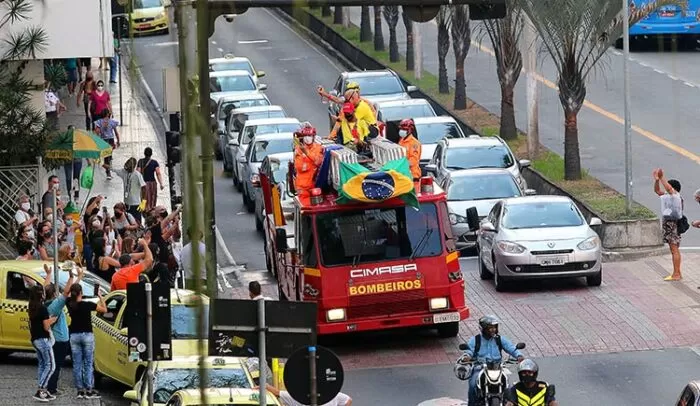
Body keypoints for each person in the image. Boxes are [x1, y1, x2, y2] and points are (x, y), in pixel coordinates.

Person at [460, 315, 525, 406]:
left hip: (497, 367)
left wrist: (519, 355)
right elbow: (469, 351)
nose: (493, 330)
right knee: (472, 384)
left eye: (494, 327)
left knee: (508, 386)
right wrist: (467, 356)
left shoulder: (499, 339)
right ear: (483, 328)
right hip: (480, 367)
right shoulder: (475, 340)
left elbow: (510, 347)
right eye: (490, 328)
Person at [67, 281, 107, 399]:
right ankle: (89, 389)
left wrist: (76, 278)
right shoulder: (87, 304)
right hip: (87, 335)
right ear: (81, 293)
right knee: (88, 363)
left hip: (74, 336)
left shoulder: (69, 304)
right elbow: (104, 310)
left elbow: (68, 293)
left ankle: (80, 390)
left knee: (77, 363)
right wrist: (99, 295)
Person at [42, 265, 75, 398]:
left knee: (52, 364)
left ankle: (50, 386)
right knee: (56, 365)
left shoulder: (45, 302)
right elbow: (66, 292)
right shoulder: (56, 305)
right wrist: (71, 277)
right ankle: (51, 388)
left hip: (55, 338)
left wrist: (48, 274)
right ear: (55, 294)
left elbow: (45, 288)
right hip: (60, 339)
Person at [28, 284, 58, 401]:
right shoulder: (42, 308)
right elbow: (46, 326)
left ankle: (43, 391)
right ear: (41, 295)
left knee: (42, 364)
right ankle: (41, 390)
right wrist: (52, 320)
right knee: (51, 366)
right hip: (43, 340)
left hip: (35, 339)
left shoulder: (32, 306)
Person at [653, 168, 684, 281]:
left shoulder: (675, 196)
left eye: (668, 187)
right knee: (673, 249)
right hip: (669, 225)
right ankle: (677, 272)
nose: (665, 189)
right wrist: (657, 180)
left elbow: (669, 189)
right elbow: (657, 191)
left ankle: (676, 274)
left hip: (673, 226)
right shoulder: (668, 197)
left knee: (674, 249)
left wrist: (662, 178)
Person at [293, 125, 324, 197]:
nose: (307, 138)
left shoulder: (319, 148)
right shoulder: (298, 149)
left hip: (314, 185)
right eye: (305, 136)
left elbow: (318, 162)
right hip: (302, 186)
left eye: (309, 135)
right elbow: (300, 167)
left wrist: (306, 153)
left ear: (313, 137)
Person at [115, 157, 147, 225]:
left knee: (137, 223)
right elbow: (113, 169)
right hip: (126, 204)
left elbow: (144, 187)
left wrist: (143, 202)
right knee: (128, 222)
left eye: (129, 168)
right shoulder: (124, 172)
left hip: (135, 205)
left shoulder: (137, 175)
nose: (127, 169)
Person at [257, 383, 352, 406]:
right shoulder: (331, 395)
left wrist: (266, 386)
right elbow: (348, 400)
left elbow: (348, 400)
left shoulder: (298, 397)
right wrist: (265, 385)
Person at [94, 108, 120, 180]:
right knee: (109, 155)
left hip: (103, 140)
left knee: (106, 156)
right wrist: (118, 140)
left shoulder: (99, 122)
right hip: (111, 140)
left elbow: (97, 132)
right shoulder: (112, 122)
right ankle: (108, 170)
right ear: (108, 114)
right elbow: (116, 132)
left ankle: (108, 171)